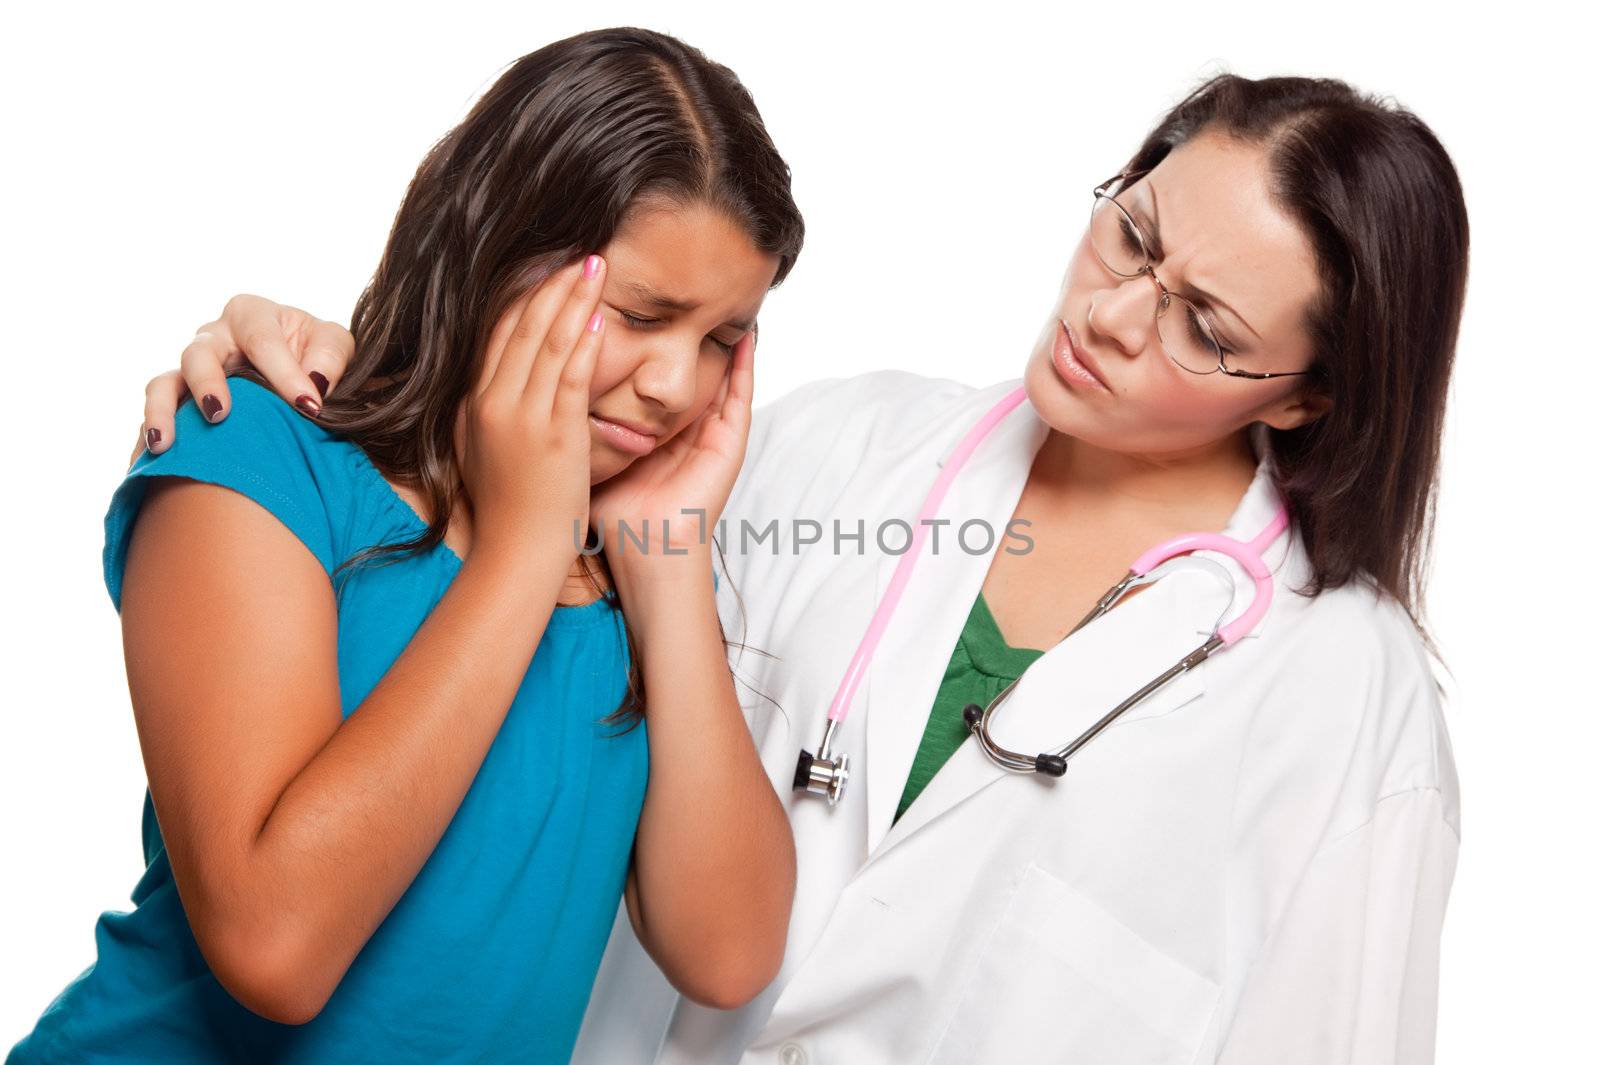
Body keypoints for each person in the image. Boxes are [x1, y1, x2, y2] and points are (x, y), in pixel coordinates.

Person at [118, 70, 1466, 1064]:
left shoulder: (1344, 700)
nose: (1112, 316)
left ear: (1305, 396)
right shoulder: (819, 450)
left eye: (1202, 324)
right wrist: (305, 343)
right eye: (1134, 235)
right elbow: (495, 465)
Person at [8, 27, 804, 1065]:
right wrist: (524, 547)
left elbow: (727, 956)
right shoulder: (259, 458)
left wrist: (667, 564)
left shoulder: (627, 568)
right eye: (638, 315)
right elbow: (274, 945)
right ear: (499, 253)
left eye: (718, 340)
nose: (672, 384)